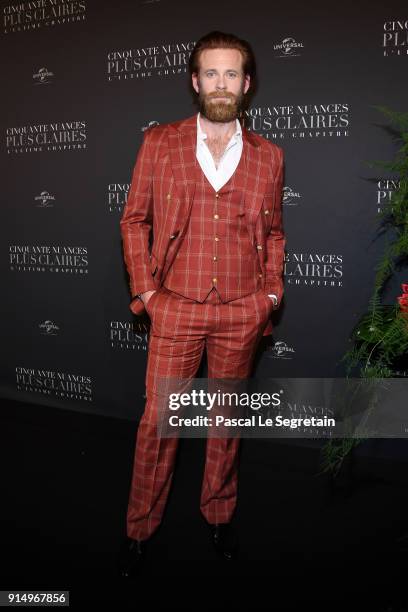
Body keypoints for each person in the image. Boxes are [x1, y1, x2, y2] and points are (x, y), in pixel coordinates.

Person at [118, 30, 285, 575]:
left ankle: (218, 514)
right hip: (176, 307)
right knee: (157, 423)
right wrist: (146, 291)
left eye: (231, 73)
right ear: (195, 81)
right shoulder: (158, 142)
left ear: (247, 83)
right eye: (210, 73)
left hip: (242, 309)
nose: (221, 83)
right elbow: (134, 220)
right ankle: (140, 526)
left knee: (225, 420)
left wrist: (271, 293)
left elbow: (276, 232)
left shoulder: (269, 157)